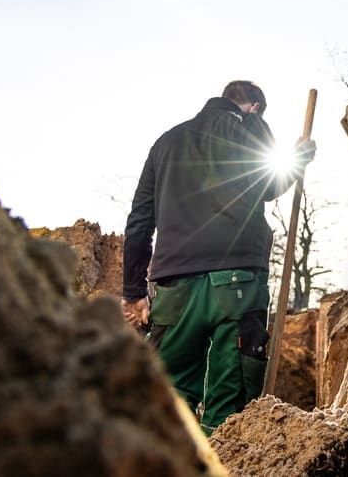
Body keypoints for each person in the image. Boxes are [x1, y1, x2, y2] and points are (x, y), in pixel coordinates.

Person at [120, 80, 315, 435]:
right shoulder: (249, 128)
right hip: (237, 285)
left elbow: (139, 222)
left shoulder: (166, 143)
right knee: (230, 413)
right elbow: (269, 185)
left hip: (175, 288)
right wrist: (298, 158)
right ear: (254, 106)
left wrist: (133, 292)